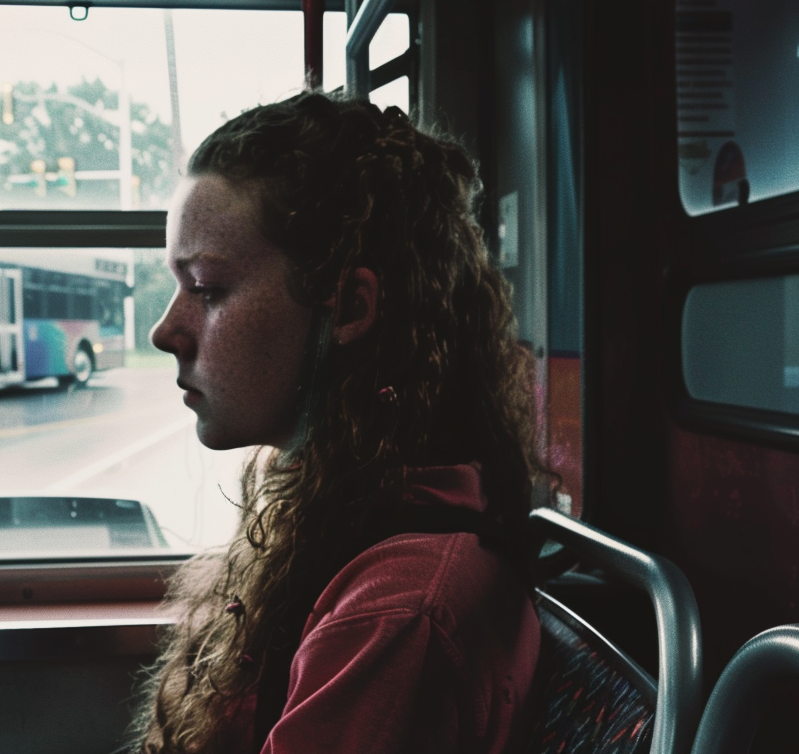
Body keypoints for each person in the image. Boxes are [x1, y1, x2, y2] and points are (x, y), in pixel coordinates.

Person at [135, 92, 552, 754]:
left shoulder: (398, 614)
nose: (165, 330)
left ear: (350, 307)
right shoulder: (338, 508)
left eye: (208, 289)